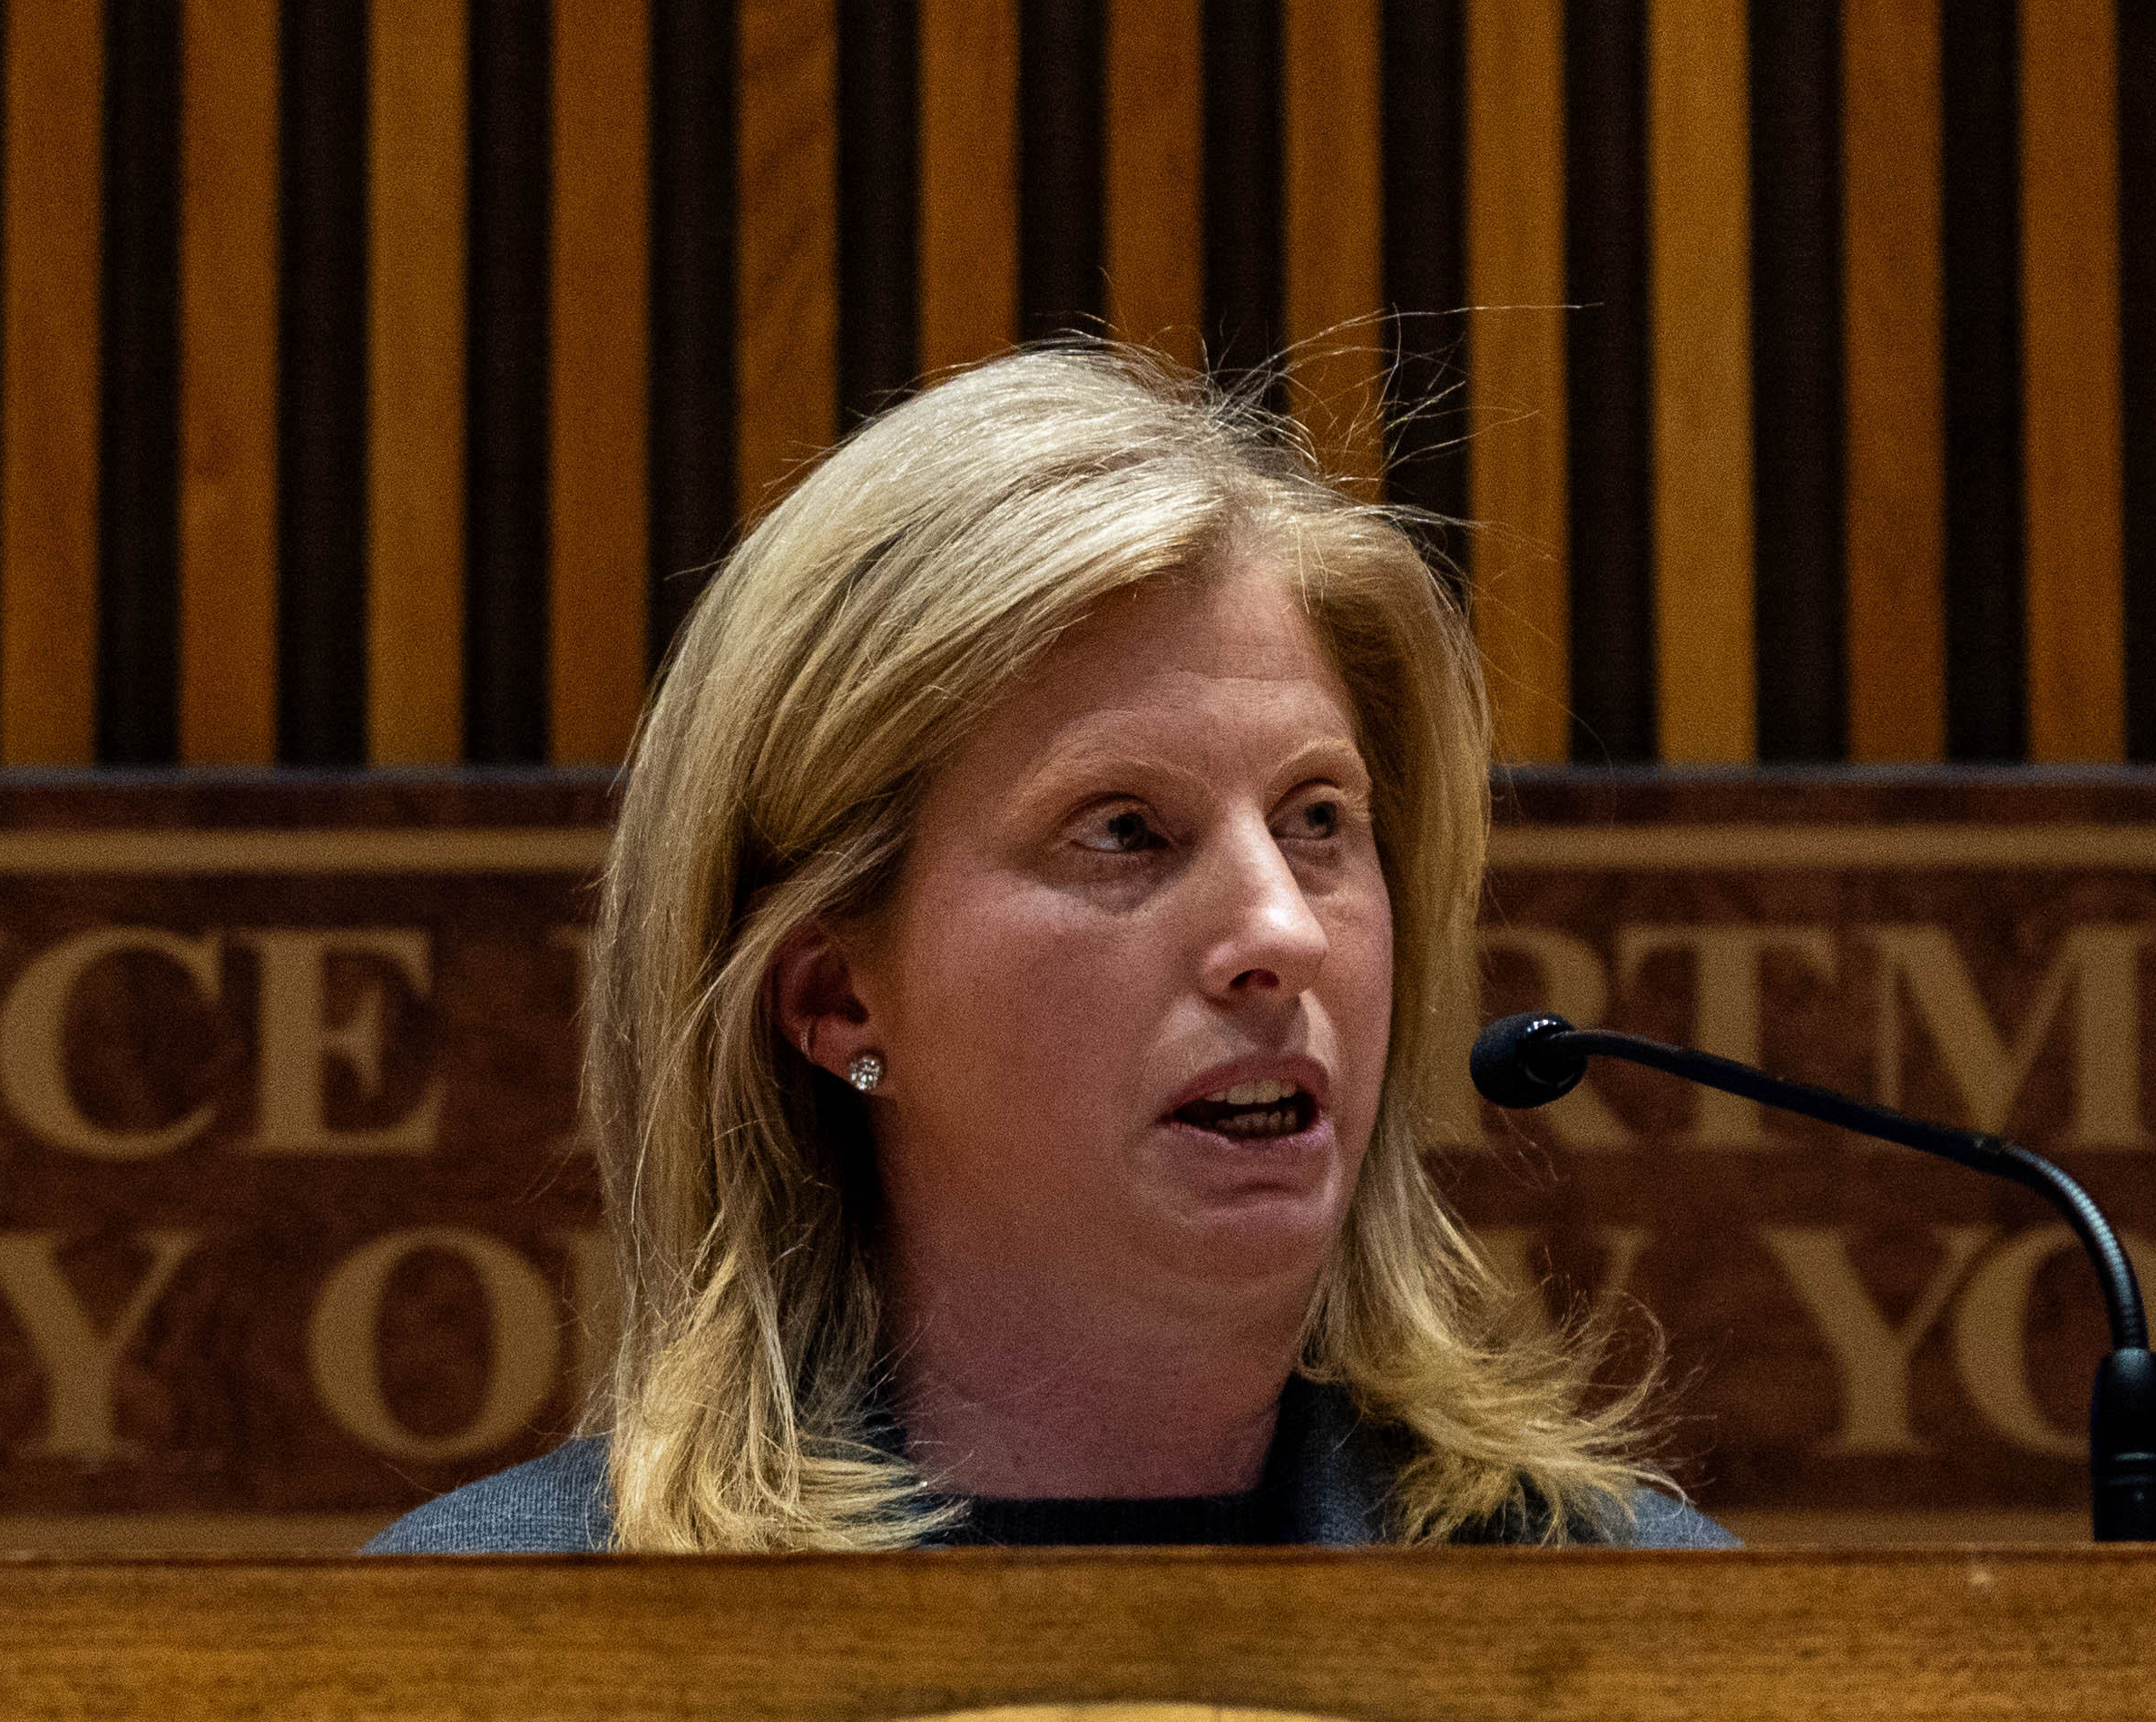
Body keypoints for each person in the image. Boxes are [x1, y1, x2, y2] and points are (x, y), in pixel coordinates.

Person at [368, 343, 1721, 1552]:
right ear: (838, 998)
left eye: (1319, 819)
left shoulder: (1653, 1632)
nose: (1281, 931)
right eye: (1125, 831)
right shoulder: (487, 1641)